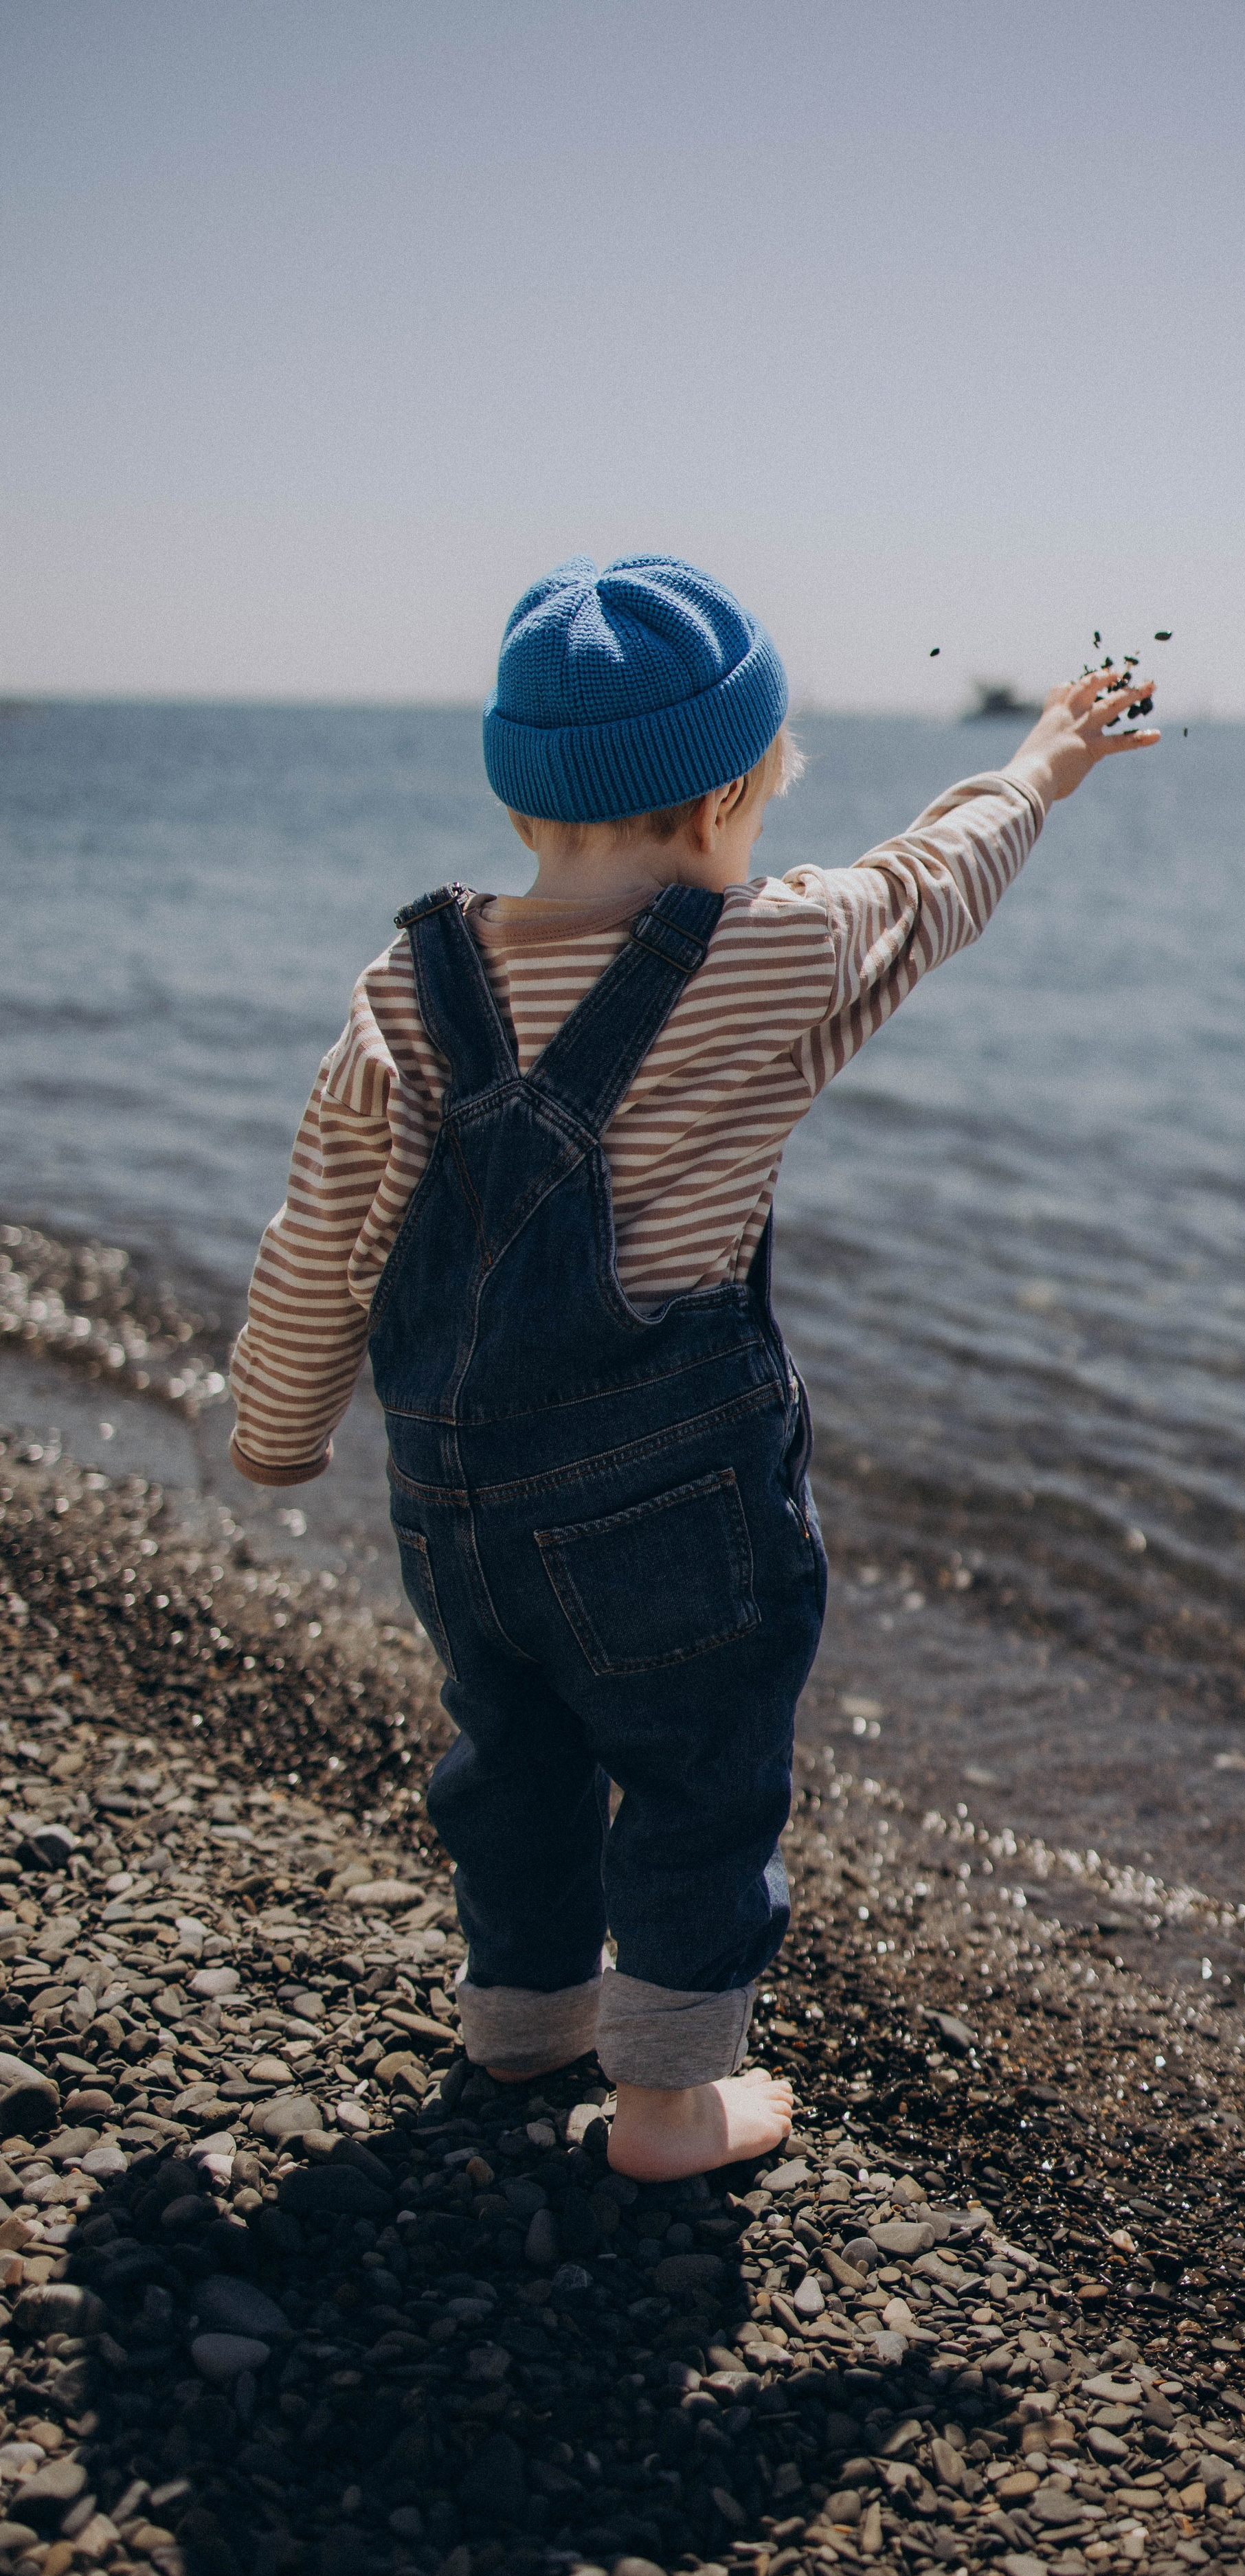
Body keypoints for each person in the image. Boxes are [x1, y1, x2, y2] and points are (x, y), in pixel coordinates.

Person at [229, 554, 1157, 2180]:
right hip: (674, 1508)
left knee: (506, 1749)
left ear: (526, 798)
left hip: (457, 1506)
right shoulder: (772, 955)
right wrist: (1037, 765)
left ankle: (521, 2016)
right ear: (731, 791)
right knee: (697, 1772)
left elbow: (325, 1235)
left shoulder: (404, 990)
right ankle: (666, 2102)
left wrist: (277, 1426)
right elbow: (931, 882)